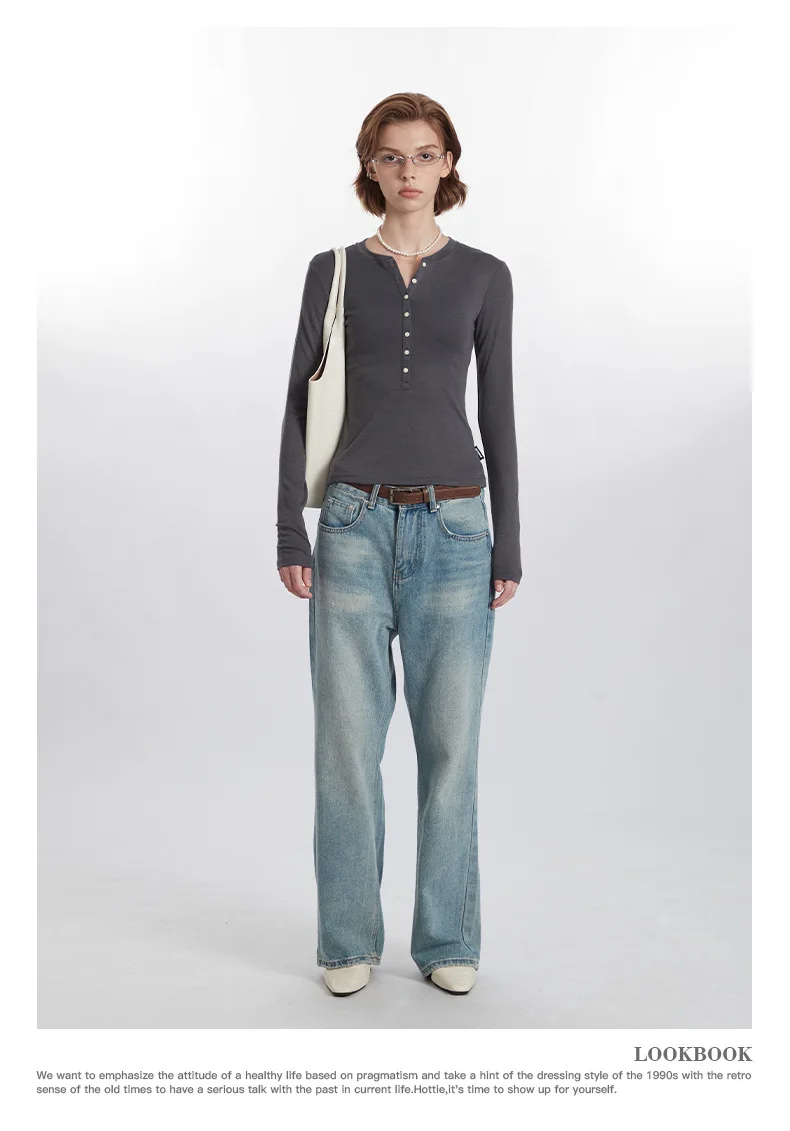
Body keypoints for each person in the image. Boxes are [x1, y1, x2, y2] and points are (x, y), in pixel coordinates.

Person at [276, 92, 521, 997]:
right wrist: (288, 527)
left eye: (424, 155)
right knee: (346, 748)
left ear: (448, 162)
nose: (408, 171)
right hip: (350, 525)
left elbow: (498, 411)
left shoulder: (486, 275)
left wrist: (508, 543)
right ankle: (347, 938)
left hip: (457, 527)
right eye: (391, 156)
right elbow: (298, 401)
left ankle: (448, 936)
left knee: (451, 751)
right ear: (369, 166)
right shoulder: (333, 270)